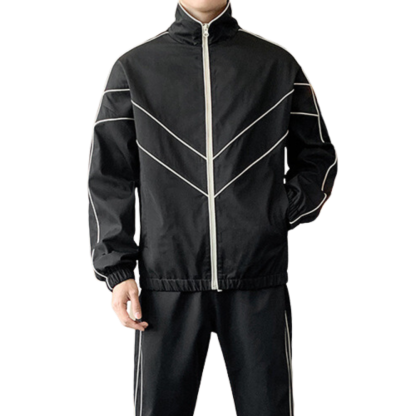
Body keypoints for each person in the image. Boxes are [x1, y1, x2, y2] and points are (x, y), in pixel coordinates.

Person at [86, 0, 339, 415]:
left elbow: (319, 157)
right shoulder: (133, 67)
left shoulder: (277, 63)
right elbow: (109, 176)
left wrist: (275, 214)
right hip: (164, 282)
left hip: (257, 275)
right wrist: (117, 271)